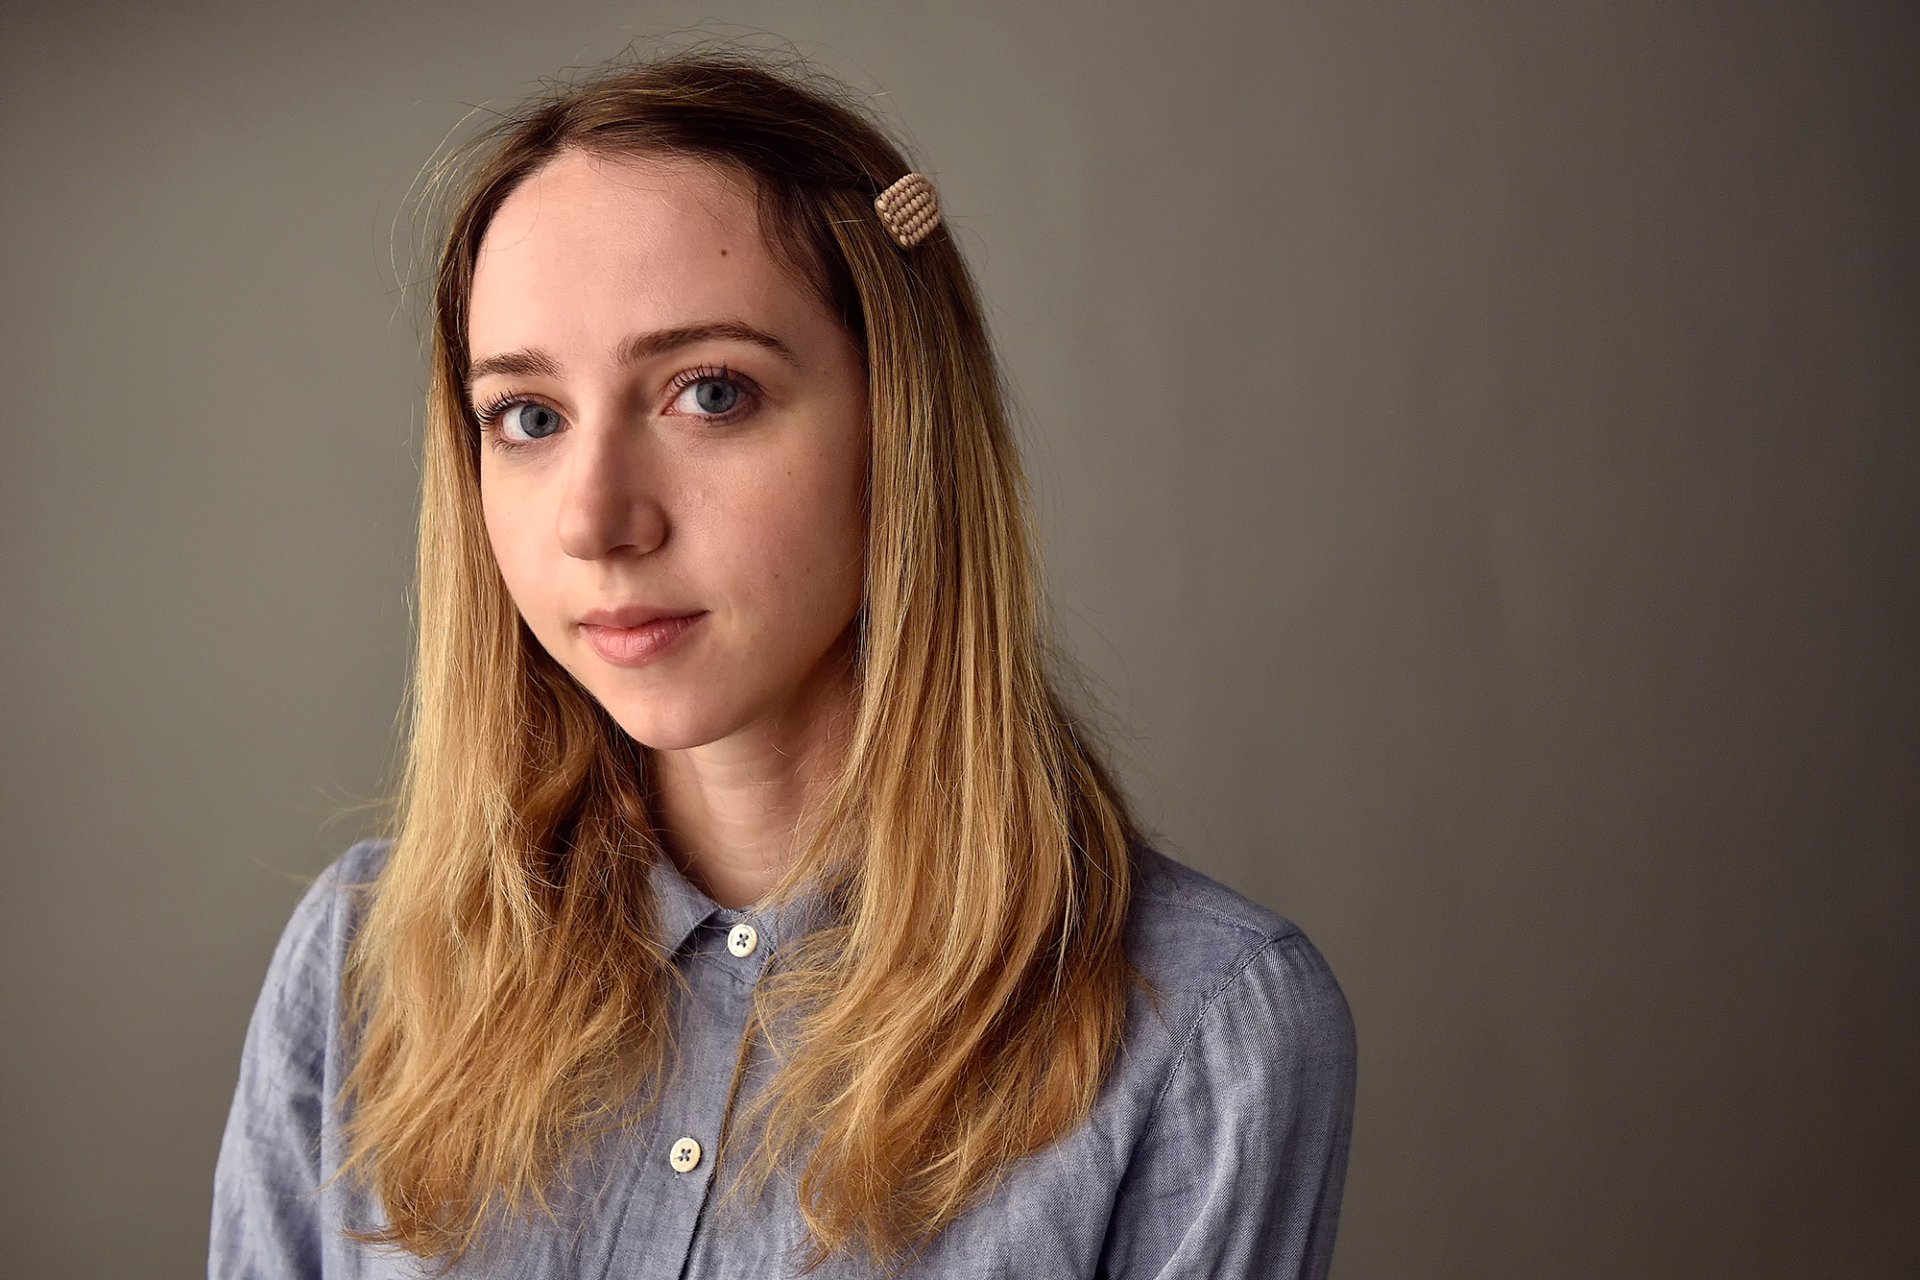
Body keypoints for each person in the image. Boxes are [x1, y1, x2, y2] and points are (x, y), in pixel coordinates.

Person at [210, 44, 1358, 1280]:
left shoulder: (1208, 1032)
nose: (597, 521)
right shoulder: (362, 958)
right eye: (528, 417)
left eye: (710, 392)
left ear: (900, 422)